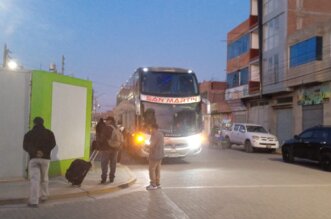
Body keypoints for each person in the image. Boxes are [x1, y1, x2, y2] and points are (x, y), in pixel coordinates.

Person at [23, 117, 56, 207]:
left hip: (33, 159)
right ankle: (44, 196)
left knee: (34, 180)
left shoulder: (29, 134)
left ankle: (34, 201)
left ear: (34, 123)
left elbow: (25, 146)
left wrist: (35, 152)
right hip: (45, 159)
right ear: (43, 123)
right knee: (44, 178)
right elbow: (53, 144)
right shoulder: (49, 133)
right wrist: (44, 152)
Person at [99, 116, 119, 184]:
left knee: (104, 164)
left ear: (110, 121)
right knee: (113, 164)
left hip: (106, 149)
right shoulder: (116, 128)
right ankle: (111, 178)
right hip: (115, 149)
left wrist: (99, 145)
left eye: (107, 120)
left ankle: (104, 178)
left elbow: (102, 138)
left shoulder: (106, 128)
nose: (106, 122)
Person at [146, 123, 164, 190]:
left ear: (153, 128)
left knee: (152, 169)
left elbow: (152, 145)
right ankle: (157, 183)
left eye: (151, 129)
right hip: (160, 155)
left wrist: (147, 146)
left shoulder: (154, 134)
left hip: (154, 155)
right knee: (158, 170)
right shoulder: (161, 134)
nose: (150, 130)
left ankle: (153, 184)